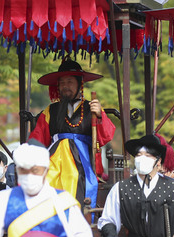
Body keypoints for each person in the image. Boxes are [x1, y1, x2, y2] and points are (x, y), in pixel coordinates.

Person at [28, 59, 115, 207]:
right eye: (61, 83)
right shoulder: (51, 110)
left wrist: (100, 115)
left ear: (80, 84)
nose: (65, 86)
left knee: (73, 177)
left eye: (69, 82)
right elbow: (38, 138)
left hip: (83, 159)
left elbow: (106, 136)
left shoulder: (91, 107)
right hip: (54, 157)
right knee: (44, 178)